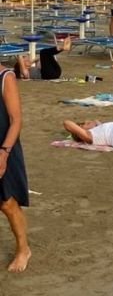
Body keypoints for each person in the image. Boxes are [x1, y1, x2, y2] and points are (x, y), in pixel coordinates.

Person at [0, 62, 31, 272]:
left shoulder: (6, 77)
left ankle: (23, 249)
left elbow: (16, 120)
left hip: (4, 147)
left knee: (7, 203)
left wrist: (4, 153)